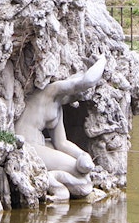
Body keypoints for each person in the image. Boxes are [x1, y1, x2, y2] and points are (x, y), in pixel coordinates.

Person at [14, 56, 108, 200]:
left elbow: (61, 143)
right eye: (75, 95)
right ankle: (59, 189)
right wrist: (103, 60)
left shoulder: (58, 107)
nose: (75, 99)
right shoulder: (52, 91)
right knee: (78, 172)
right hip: (28, 145)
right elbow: (87, 81)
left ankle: (56, 182)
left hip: (40, 145)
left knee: (79, 167)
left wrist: (82, 155)